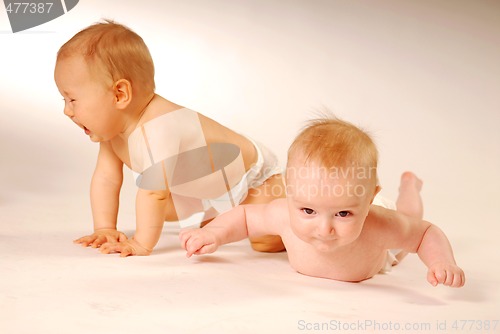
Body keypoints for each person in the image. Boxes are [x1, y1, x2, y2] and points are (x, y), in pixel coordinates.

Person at [54, 20, 286, 256]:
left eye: (72, 100)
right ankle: (220, 215)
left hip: (252, 180)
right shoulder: (112, 133)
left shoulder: (160, 127)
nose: (67, 110)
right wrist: (104, 228)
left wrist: (141, 243)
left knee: (266, 242)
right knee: (161, 209)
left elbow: (154, 192)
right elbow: (106, 179)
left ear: (119, 94)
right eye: (64, 100)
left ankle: (294, 211)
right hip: (205, 192)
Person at [180, 117, 465, 287]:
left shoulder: (378, 224)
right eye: (308, 210)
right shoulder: (282, 214)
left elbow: (425, 233)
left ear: (369, 199)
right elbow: (244, 217)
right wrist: (213, 233)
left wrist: (441, 261)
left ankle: (409, 186)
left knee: (409, 214)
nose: (324, 228)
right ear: (289, 191)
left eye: (342, 214)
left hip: (382, 251)